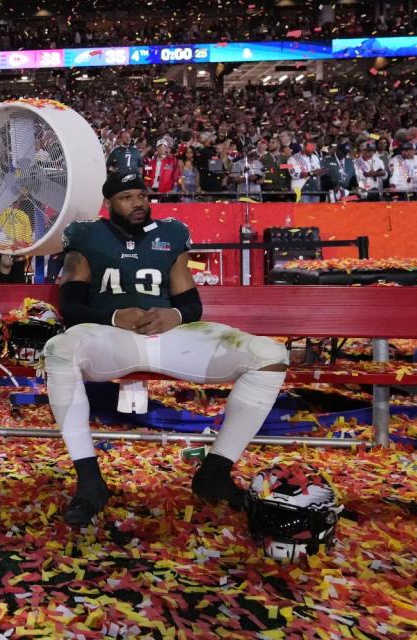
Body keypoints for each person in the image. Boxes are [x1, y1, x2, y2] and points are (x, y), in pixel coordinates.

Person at [42, 172, 289, 526]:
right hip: (109, 336)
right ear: (109, 203)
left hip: (169, 336)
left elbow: (191, 304)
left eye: (142, 194)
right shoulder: (87, 236)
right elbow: (71, 304)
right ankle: (90, 481)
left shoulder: (170, 234)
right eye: (127, 197)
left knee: (270, 356)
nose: (139, 203)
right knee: (59, 350)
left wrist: (174, 314)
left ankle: (216, 471)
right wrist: (113, 315)